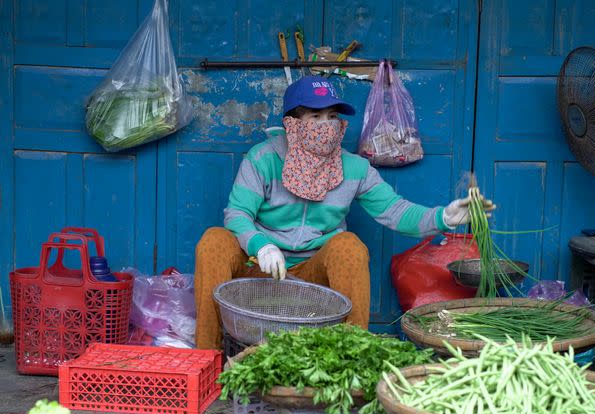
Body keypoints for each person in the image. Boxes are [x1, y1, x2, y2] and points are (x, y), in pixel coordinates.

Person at [193, 75, 493, 350]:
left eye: (332, 116)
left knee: (349, 246)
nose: (326, 125)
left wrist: (444, 217)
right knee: (214, 240)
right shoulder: (263, 158)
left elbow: (395, 211)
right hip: (260, 267)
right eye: (315, 116)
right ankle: (207, 357)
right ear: (293, 122)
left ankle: (352, 354)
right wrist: (262, 246)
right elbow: (237, 214)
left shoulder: (354, 168)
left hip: (313, 276)